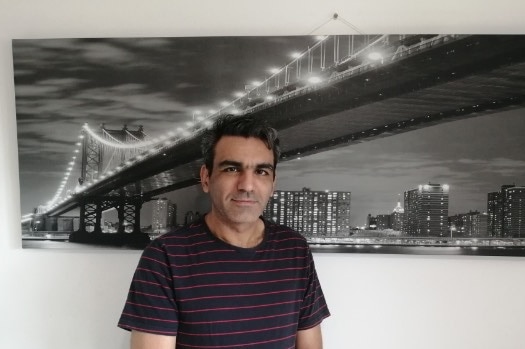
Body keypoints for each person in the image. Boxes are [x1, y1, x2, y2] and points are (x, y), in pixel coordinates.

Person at [118, 115, 330, 348]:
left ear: (273, 184)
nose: (247, 185)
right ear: (206, 177)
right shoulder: (164, 257)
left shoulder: (295, 250)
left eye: (261, 172)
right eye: (231, 168)